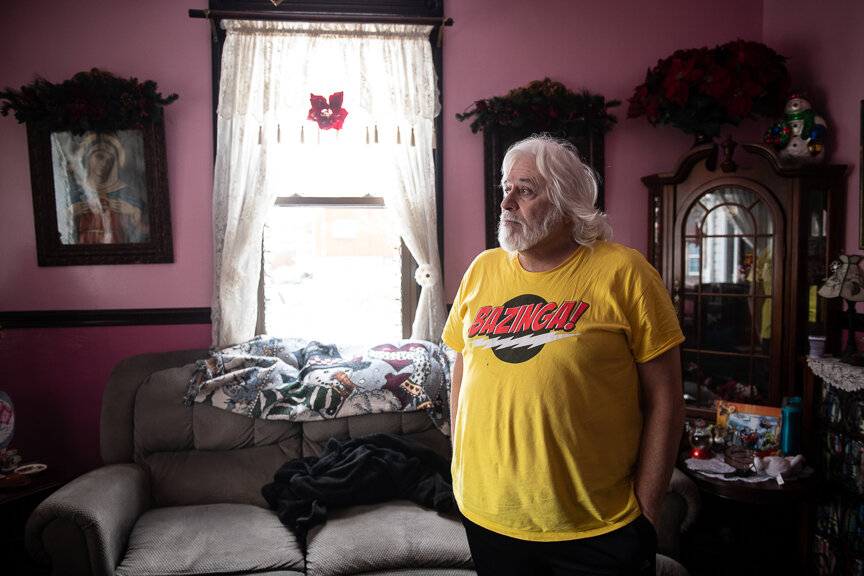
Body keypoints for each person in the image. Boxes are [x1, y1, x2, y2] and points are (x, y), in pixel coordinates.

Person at [441, 134, 685, 575]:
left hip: (596, 527)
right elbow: (462, 361)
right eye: (505, 189)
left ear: (567, 202)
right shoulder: (482, 269)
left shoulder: (624, 273)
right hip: (487, 515)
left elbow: (667, 400)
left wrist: (647, 514)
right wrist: (461, 462)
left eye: (525, 190)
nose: (507, 202)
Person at [66, 134, 149, 244]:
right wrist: (72, 211)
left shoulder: (125, 192)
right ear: (88, 158)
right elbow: (58, 226)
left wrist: (132, 211)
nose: (105, 163)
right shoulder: (75, 191)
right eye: (99, 156)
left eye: (109, 160)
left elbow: (146, 230)